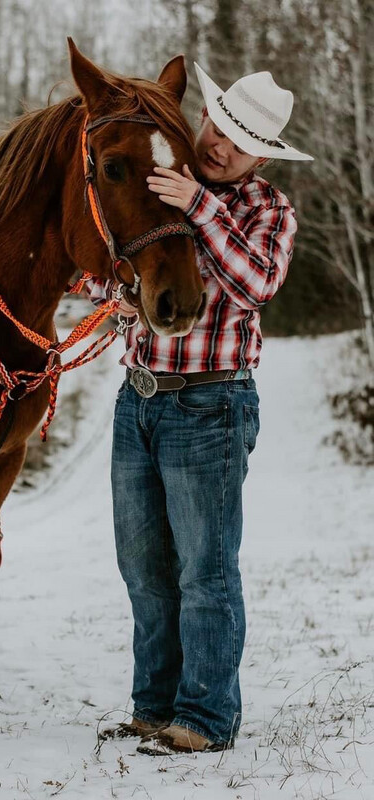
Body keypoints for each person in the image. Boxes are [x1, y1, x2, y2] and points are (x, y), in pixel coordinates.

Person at [86, 64, 313, 756]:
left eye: (240, 143)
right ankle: (154, 706)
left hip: (211, 405)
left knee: (205, 570)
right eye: (218, 127)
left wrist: (199, 206)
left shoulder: (266, 210)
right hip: (140, 401)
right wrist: (112, 291)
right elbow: (111, 268)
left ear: (263, 156)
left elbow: (256, 284)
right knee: (145, 567)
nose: (220, 146)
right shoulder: (164, 182)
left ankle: (206, 719)